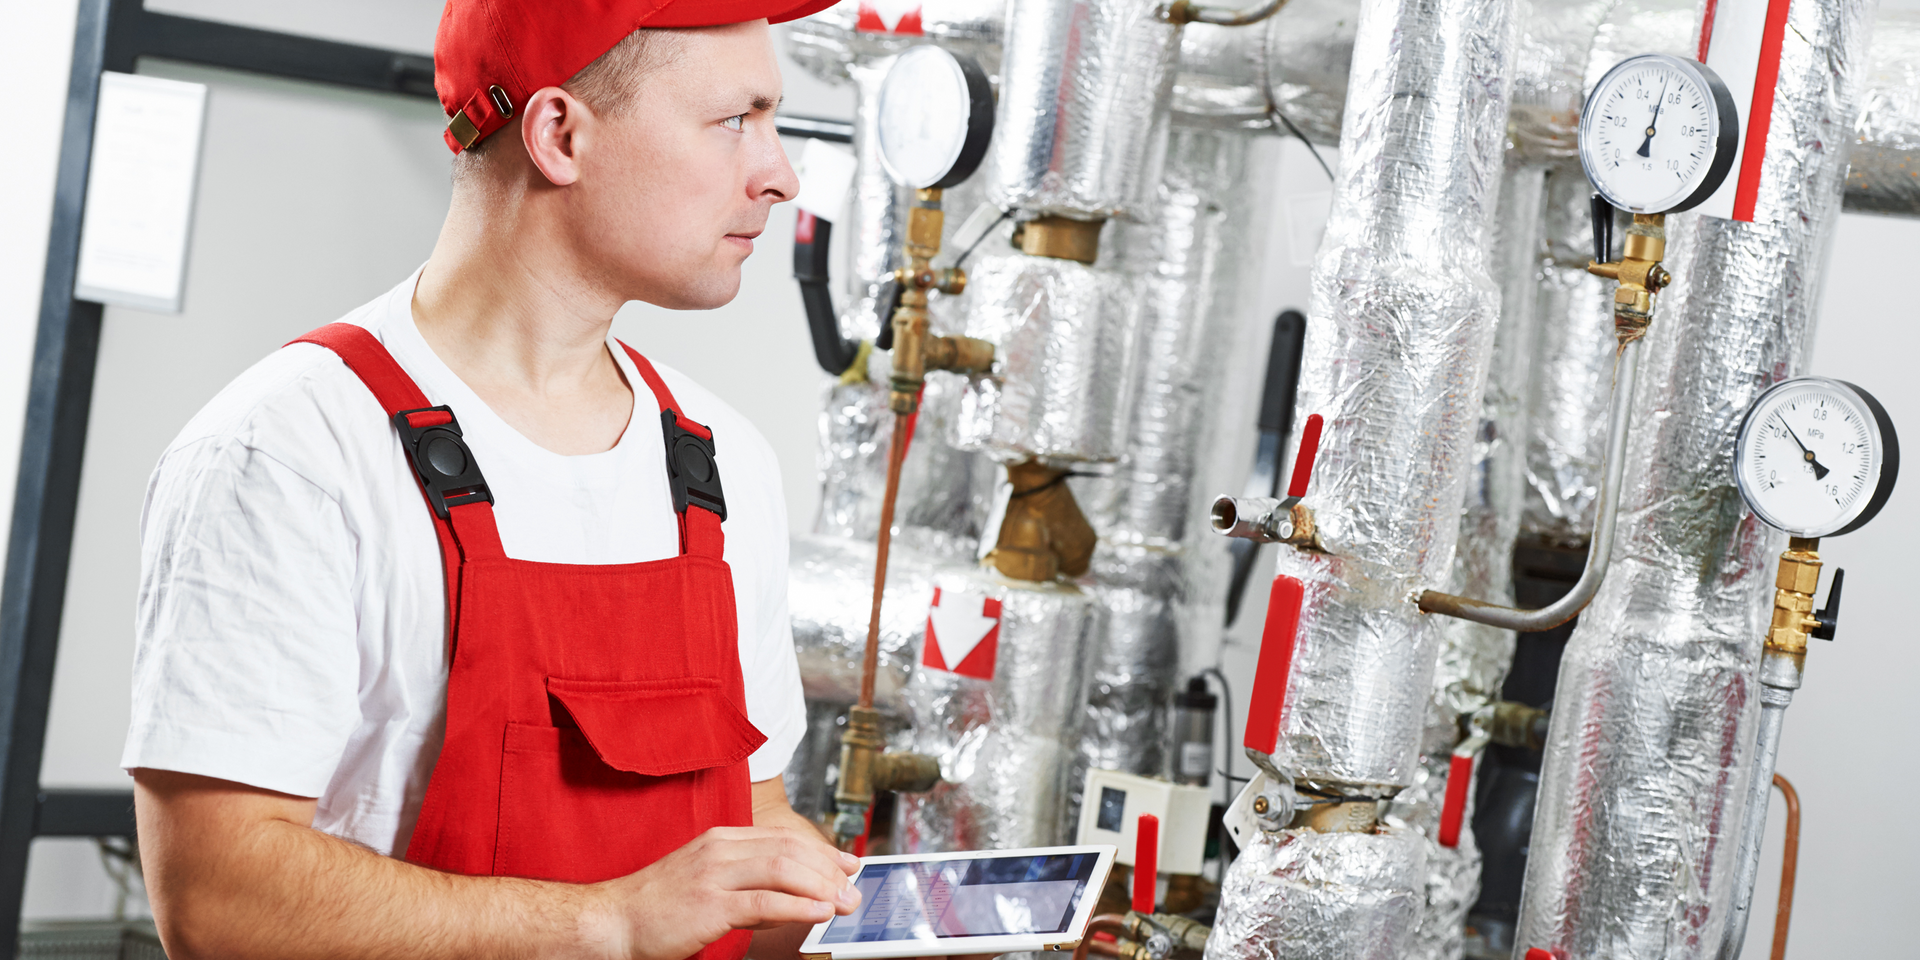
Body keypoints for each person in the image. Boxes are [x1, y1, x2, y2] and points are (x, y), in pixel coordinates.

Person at [122, 1, 863, 957]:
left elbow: (747, 845)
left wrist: (885, 922)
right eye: (735, 121)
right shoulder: (291, 453)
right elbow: (218, 904)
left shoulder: (722, 461)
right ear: (559, 134)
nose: (780, 176)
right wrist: (614, 923)